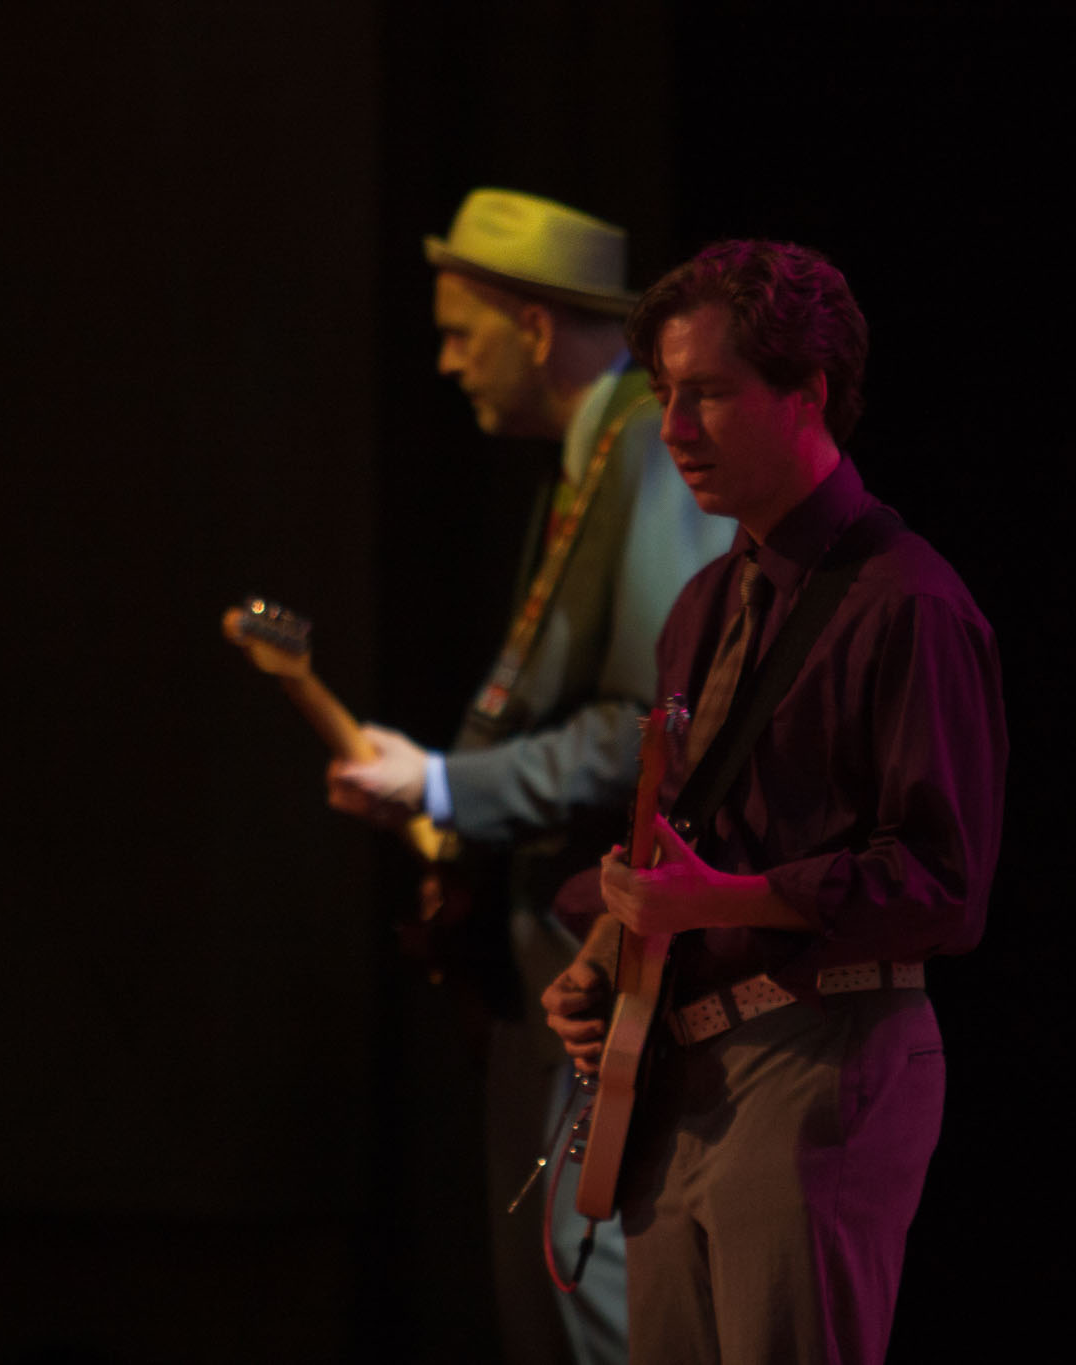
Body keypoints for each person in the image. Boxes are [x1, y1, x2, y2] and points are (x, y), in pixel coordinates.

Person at [540, 240, 1006, 1364]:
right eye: (665, 394)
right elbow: (679, 846)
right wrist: (604, 955)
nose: (671, 428)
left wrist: (724, 901)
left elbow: (943, 890)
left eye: (705, 393)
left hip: (823, 1053)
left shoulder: (908, 602)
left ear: (806, 396)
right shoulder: (703, 603)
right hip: (685, 1072)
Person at [324, 188, 733, 1365]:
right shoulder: (585, 457)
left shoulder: (642, 448)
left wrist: (448, 788)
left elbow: (657, 725)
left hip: (601, 944)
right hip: (550, 937)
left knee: (583, 1272)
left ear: (536, 326)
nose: (447, 361)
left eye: (462, 333)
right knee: (546, 1287)